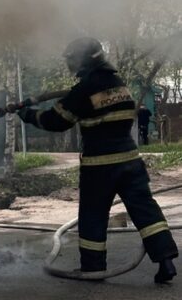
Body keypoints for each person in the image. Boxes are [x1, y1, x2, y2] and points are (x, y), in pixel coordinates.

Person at [16, 38, 178, 283]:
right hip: (131, 162)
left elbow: (56, 121)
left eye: (71, 59)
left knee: (93, 214)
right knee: (146, 211)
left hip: (99, 166)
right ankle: (165, 259)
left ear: (81, 59)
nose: (69, 63)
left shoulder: (84, 90)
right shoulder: (118, 84)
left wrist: (27, 114)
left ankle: (93, 268)